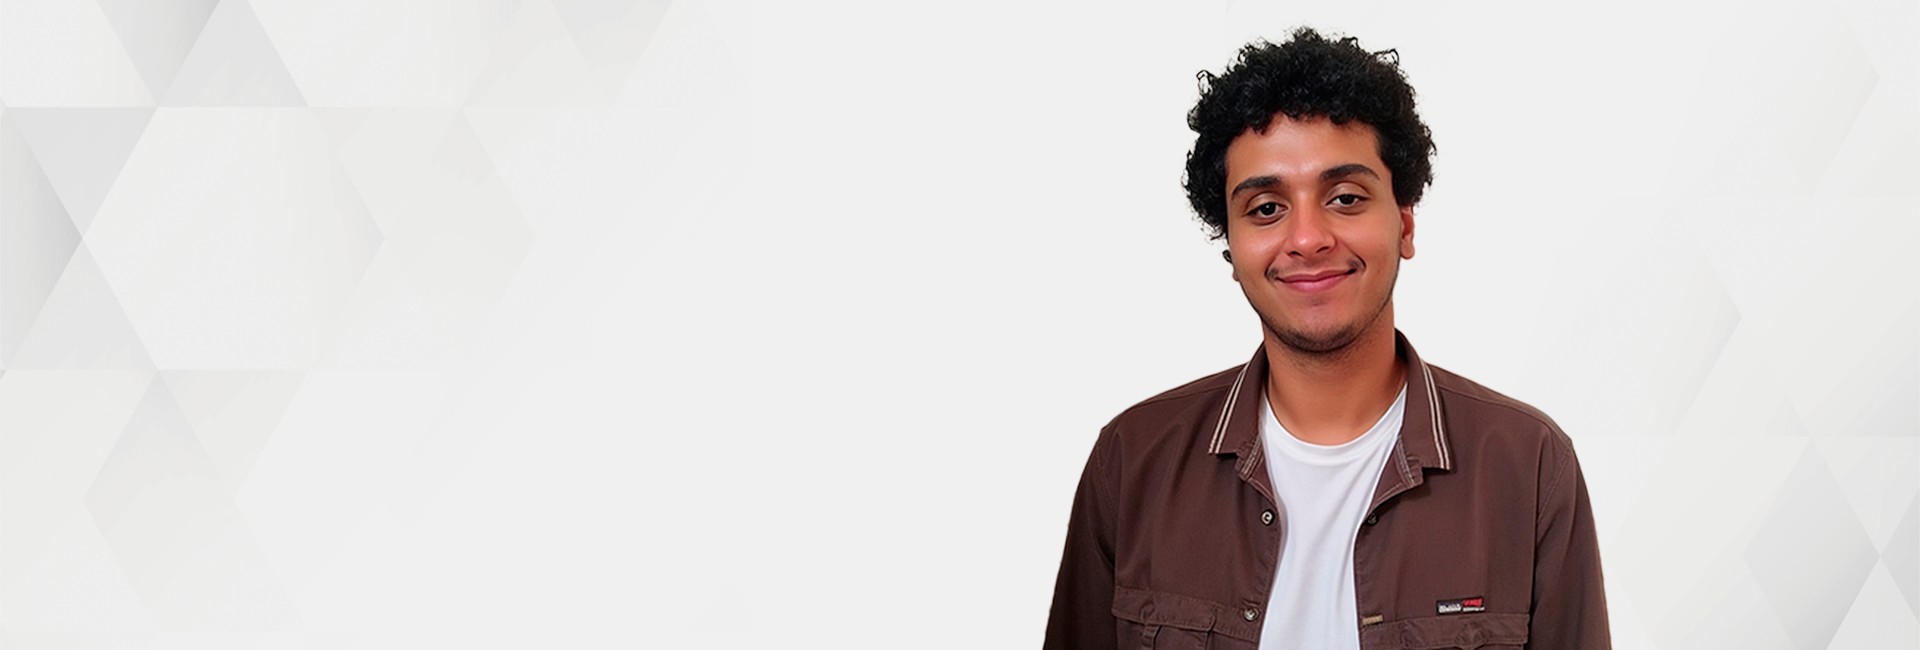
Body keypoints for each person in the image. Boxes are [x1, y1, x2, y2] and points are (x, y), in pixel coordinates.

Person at [1042, 28, 1609, 650]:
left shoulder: (1529, 466)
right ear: (1231, 246)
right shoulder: (1133, 460)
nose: (1308, 238)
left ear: (1404, 224)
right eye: (1266, 208)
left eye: (1344, 198)